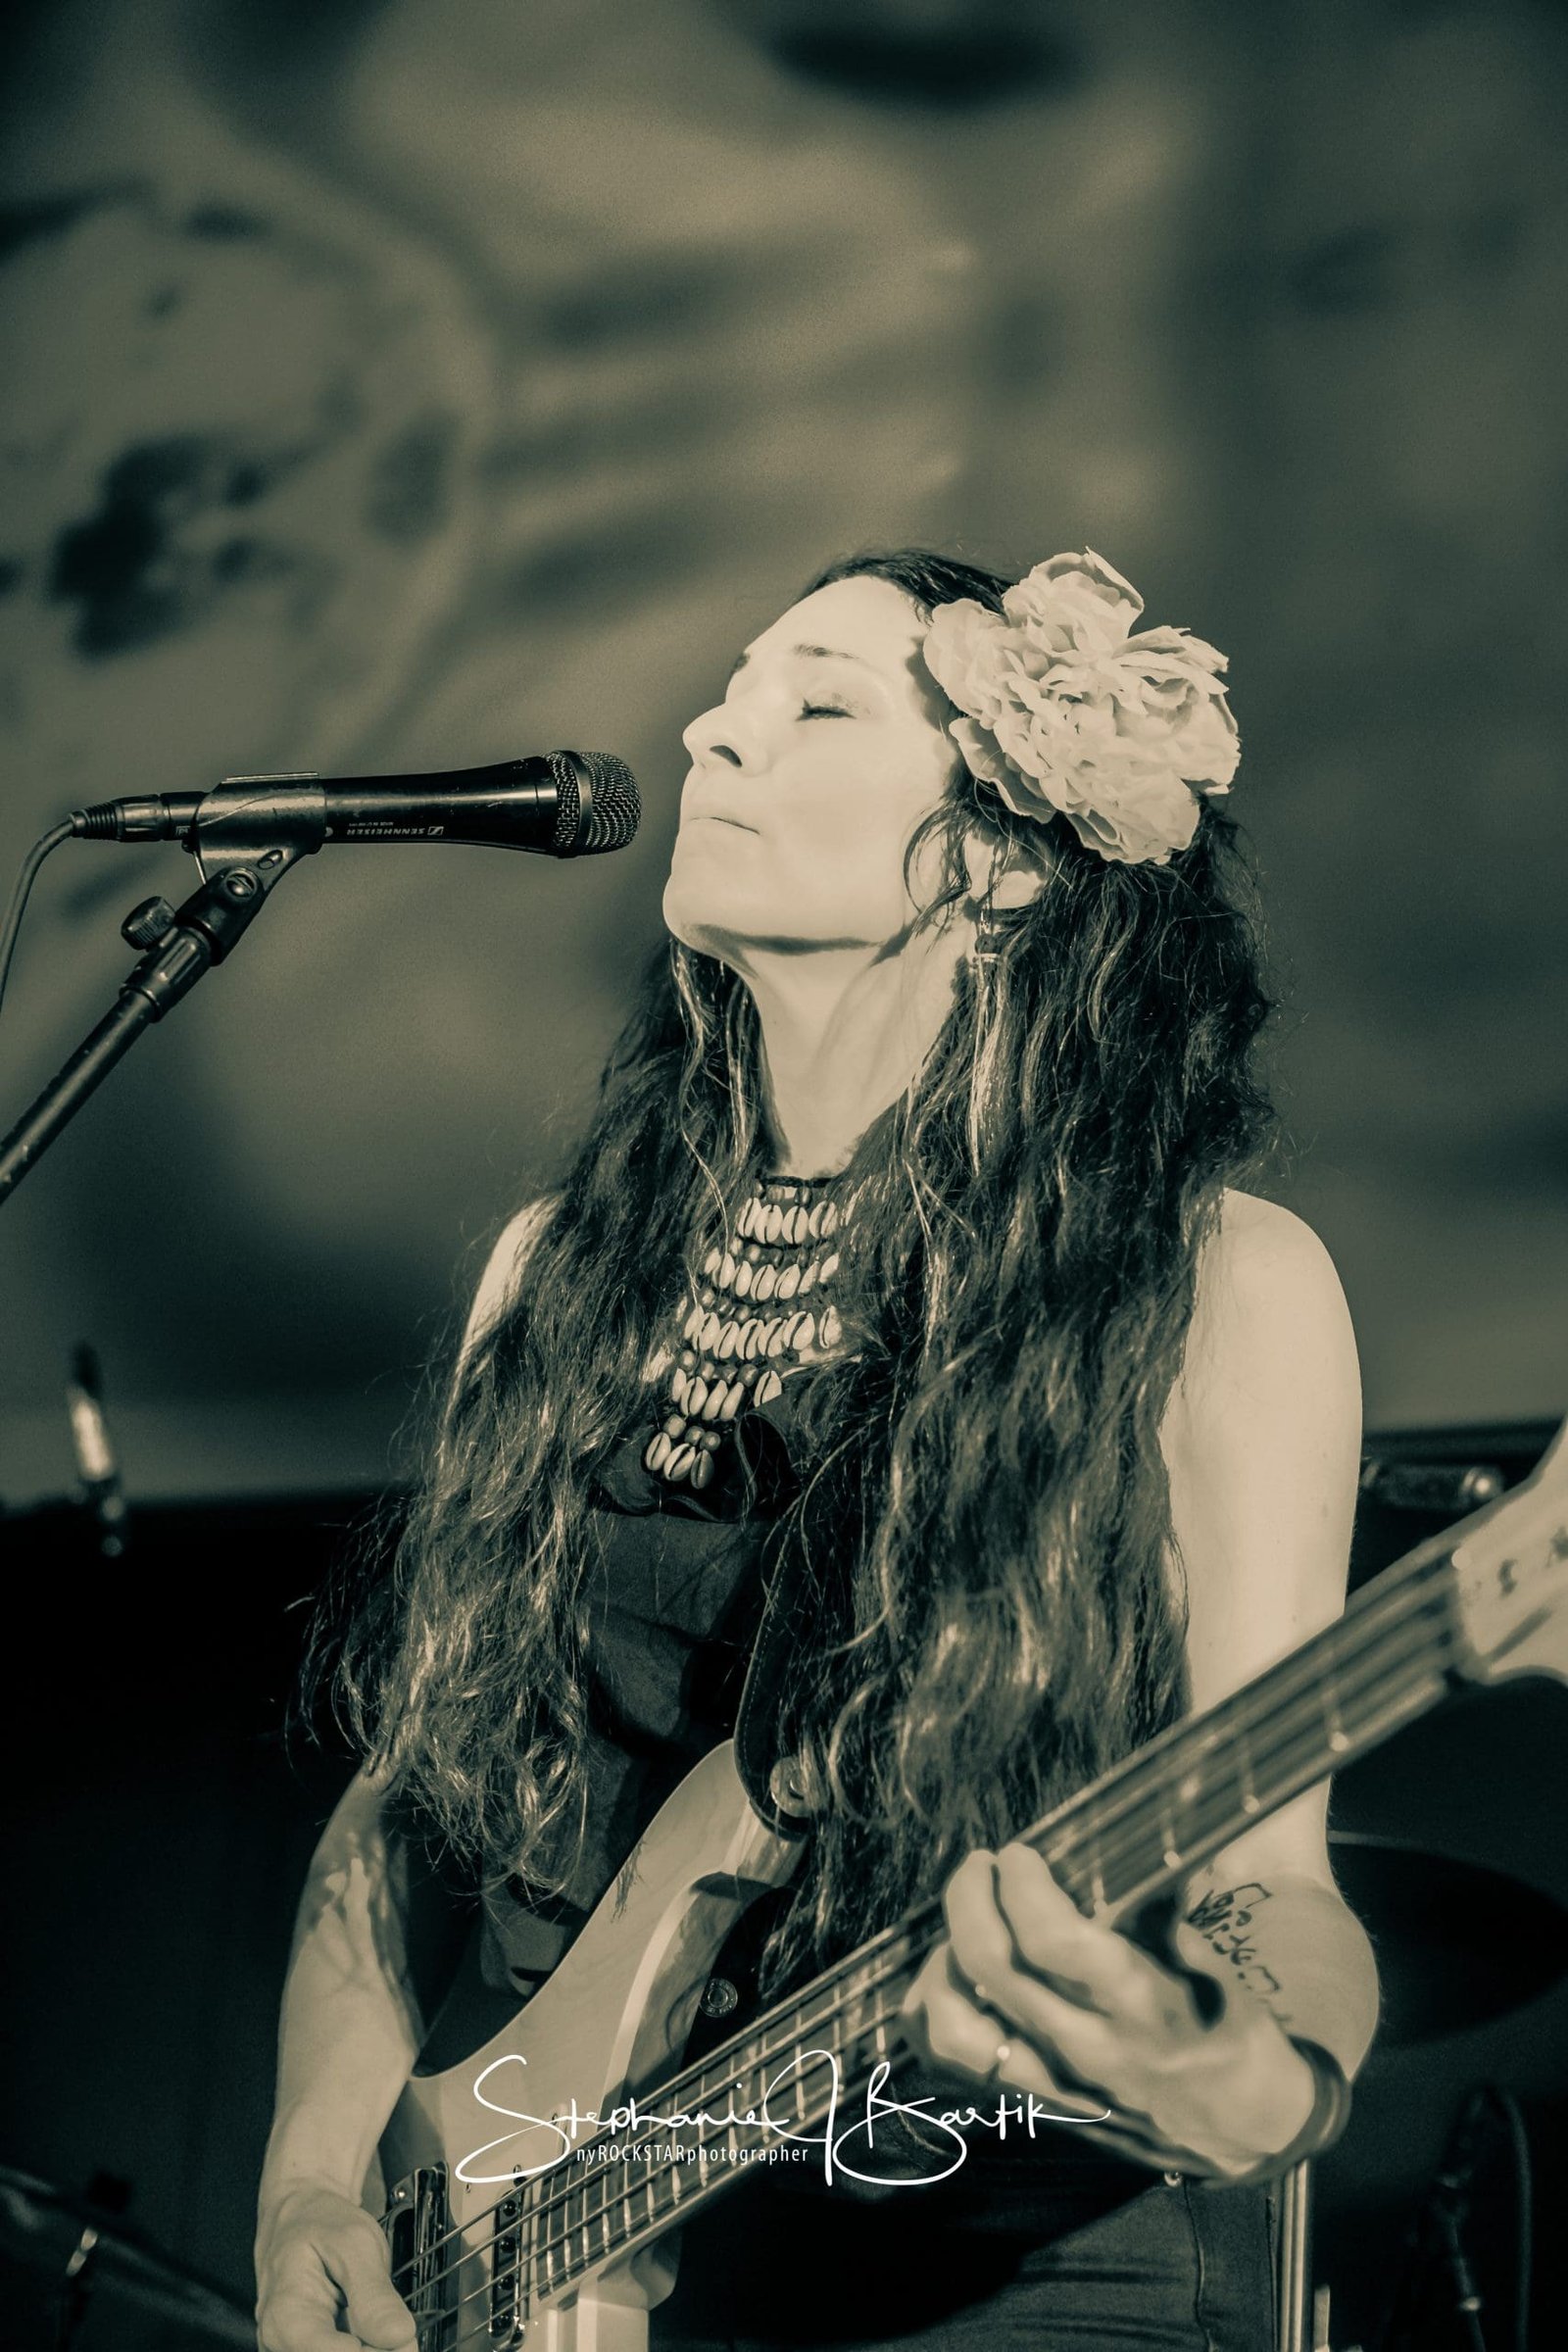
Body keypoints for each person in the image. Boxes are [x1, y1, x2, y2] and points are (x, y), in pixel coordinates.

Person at [254, 547, 1379, 2352]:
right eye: (730, 692)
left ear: (1005, 862)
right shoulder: (560, 1272)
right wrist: (314, 2181)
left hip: (1006, 2274)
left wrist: (1252, 2078)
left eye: (818, 701)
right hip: (569, 2251)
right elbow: (413, 1804)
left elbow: (1269, 1875)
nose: (714, 731)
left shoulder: (1211, 1284)